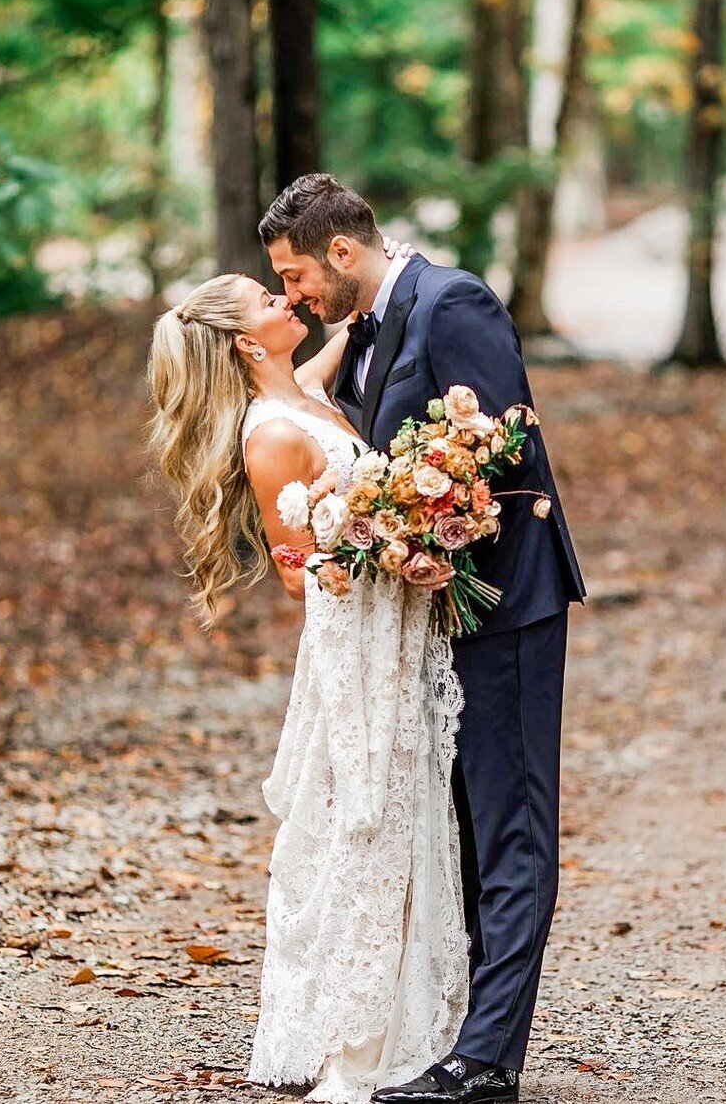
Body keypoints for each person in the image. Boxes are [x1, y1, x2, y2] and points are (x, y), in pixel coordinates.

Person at [260, 174, 586, 1104]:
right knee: (465, 831)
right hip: (426, 622)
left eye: (296, 273)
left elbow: (500, 447)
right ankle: (463, 1032)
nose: (293, 295)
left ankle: (488, 1060)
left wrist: (407, 524)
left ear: (345, 251)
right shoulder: (358, 329)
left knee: (512, 827)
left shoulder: (456, 301)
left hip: (504, 603)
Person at [146, 260, 467, 1104]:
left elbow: (332, 351)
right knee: (364, 815)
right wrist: (383, 539)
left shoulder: (306, 392)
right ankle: (352, 1039)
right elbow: (298, 577)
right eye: (267, 296)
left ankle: (403, 1013)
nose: (285, 297)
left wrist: (377, 278)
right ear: (250, 341)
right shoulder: (270, 434)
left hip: (392, 630)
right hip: (354, 642)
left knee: (397, 808)